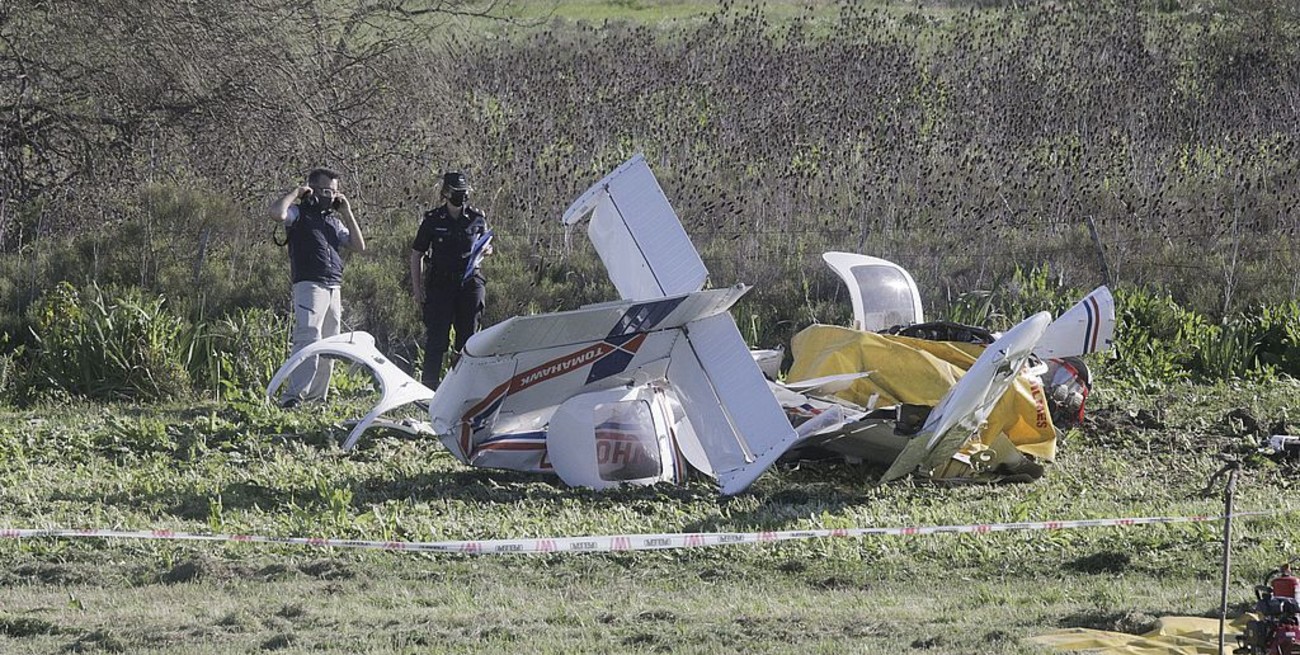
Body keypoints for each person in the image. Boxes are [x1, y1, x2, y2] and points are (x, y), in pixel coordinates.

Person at [269, 167, 366, 407]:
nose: (330, 196)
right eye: (325, 191)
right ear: (312, 190)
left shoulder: (332, 220)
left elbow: (359, 245)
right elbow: (277, 214)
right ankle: (293, 397)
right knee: (308, 338)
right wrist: (296, 192)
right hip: (309, 283)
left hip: (334, 285)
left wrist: (347, 212)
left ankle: (317, 398)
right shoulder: (299, 213)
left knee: (330, 345)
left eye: (334, 192)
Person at [409, 171, 491, 389]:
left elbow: (484, 244)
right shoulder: (433, 220)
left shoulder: (476, 218)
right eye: (456, 192)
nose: (461, 197)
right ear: (445, 193)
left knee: (468, 341)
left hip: (469, 283)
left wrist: (487, 249)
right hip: (441, 284)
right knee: (437, 340)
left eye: (465, 193)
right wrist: (417, 290)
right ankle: (428, 390)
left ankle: (464, 388)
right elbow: (417, 253)